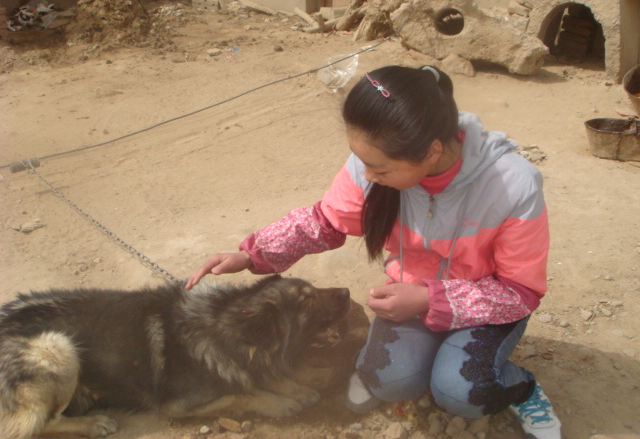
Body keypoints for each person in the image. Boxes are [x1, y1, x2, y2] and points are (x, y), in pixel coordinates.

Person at [186, 65, 562, 439]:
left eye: (378, 169)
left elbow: (520, 292)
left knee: (460, 392)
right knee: (389, 380)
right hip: (409, 299)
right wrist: (252, 255)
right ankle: (425, 361)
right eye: (361, 160)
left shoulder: (514, 185)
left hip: (486, 311)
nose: (366, 175)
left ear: (432, 152)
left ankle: (521, 387)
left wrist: (428, 299)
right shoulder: (375, 163)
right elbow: (327, 220)